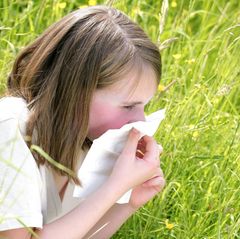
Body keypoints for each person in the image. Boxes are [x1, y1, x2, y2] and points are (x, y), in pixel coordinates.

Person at [0, 5, 165, 239]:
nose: (141, 120)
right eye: (129, 106)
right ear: (77, 92)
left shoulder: (87, 144)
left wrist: (128, 201)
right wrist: (114, 188)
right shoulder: (9, 126)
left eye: (144, 105)